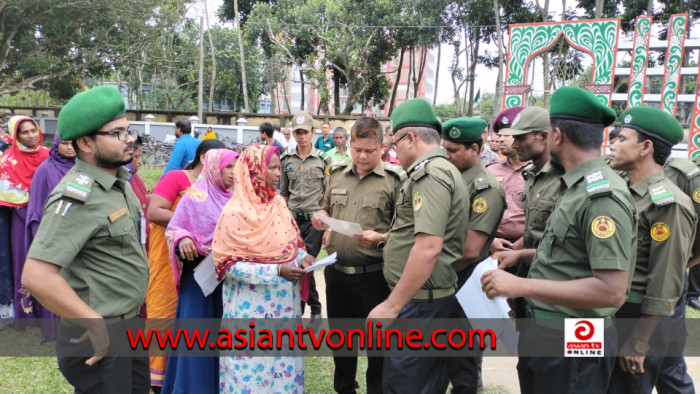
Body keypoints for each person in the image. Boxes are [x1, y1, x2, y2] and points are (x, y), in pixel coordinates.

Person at [481, 87, 637, 394]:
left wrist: (519, 286)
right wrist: (524, 254)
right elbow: (570, 253)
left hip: (575, 337)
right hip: (549, 330)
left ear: (557, 136)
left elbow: (611, 290)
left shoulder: (600, 196)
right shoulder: (574, 185)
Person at [22, 86, 149, 393]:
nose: (129, 139)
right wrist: (93, 322)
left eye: (128, 131)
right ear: (85, 142)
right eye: (117, 133)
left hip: (128, 324)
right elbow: (36, 276)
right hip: (99, 332)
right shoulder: (76, 197)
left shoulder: (118, 181)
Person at [367, 99, 469, 393]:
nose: (391, 150)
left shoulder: (430, 175)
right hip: (425, 301)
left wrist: (392, 305)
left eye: (394, 141)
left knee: (406, 385)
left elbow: (428, 247)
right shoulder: (443, 170)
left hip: (420, 304)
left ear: (410, 138)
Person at [311, 117, 405, 394]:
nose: (362, 156)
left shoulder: (394, 181)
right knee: (341, 344)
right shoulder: (337, 173)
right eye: (357, 149)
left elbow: (404, 230)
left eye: (370, 150)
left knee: (378, 348)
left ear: (382, 147)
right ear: (350, 145)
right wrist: (321, 216)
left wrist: (381, 238)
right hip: (337, 274)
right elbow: (325, 207)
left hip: (373, 278)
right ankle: (345, 389)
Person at [607, 107, 696, 394]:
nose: (612, 144)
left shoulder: (667, 203)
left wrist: (640, 340)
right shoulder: (621, 190)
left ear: (645, 147)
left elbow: (666, 279)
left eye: (622, 139)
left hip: (637, 318)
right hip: (611, 311)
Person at [213, 145, 313, 394]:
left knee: (283, 372)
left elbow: (289, 245)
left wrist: (303, 258)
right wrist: (276, 272)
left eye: (279, 167)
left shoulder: (278, 204)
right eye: (271, 168)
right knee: (250, 375)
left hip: (283, 307)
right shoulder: (235, 212)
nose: (278, 173)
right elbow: (228, 265)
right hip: (250, 311)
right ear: (253, 170)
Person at [145, 138, 225, 389]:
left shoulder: (219, 189)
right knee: (164, 313)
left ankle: (184, 375)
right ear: (205, 159)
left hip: (199, 262)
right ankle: (158, 380)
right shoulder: (177, 178)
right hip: (171, 255)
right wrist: (191, 226)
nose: (231, 171)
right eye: (227, 165)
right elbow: (154, 211)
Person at [161, 149, 238, 394]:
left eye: (236, 167)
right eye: (228, 167)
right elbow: (174, 228)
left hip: (228, 278)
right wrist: (183, 237)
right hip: (198, 279)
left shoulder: (236, 199)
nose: (233, 173)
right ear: (214, 167)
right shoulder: (196, 196)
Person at [441, 117, 505, 394]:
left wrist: (427, 274)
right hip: (444, 283)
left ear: (475, 149)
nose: (447, 155)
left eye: (453, 150)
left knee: (463, 368)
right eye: (445, 149)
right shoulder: (449, 179)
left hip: (464, 286)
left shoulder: (485, 189)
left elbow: (469, 250)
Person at [492, 107, 564, 322]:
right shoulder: (532, 175)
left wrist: (518, 253)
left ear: (544, 136)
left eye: (521, 138)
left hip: (555, 287)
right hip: (527, 275)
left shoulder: (565, 178)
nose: (514, 144)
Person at [23, 133, 76, 339]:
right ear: (56, 145)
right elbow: (36, 209)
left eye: (73, 143)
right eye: (64, 143)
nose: (69, 148)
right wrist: (43, 239)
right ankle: (55, 330)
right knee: (55, 282)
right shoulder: (45, 170)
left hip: (77, 235)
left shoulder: (82, 169)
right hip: (53, 234)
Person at [280, 111, 330, 327]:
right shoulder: (285, 159)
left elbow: (329, 196)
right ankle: (313, 309)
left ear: (312, 133)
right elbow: (284, 193)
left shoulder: (323, 159)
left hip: (314, 222)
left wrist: (328, 227)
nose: (301, 137)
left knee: (305, 263)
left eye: (305, 132)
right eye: (297, 132)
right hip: (292, 221)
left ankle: (305, 310)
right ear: (293, 133)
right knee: (296, 262)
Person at [0, 116, 49, 323]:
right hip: (21, 220)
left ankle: (50, 311)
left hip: (48, 219)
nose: (31, 136)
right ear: (15, 135)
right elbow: (7, 193)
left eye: (33, 130)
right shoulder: (7, 161)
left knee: (47, 265)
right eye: (25, 132)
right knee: (24, 263)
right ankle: (27, 314)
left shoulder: (49, 156)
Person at [488, 107, 530, 253]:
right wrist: (489, 241)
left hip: (525, 249)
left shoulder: (540, 171)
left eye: (507, 135)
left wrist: (513, 249)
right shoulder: (490, 170)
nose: (500, 139)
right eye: (499, 136)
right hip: (489, 244)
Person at [126, 136, 150, 251]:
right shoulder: (122, 182)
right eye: (136, 157)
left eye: (140, 156)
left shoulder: (135, 177)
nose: (139, 161)